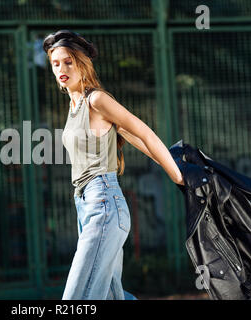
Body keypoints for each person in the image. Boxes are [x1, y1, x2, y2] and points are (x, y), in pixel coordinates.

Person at [43, 30, 184, 300]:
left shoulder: (96, 100)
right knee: (110, 296)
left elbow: (142, 133)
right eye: (56, 63)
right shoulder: (75, 106)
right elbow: (129, 138)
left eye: (69, 61)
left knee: (77, 299)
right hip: (85, 207)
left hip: (103, 205)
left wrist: (176, 174)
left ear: (82, 64)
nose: (62, 68)